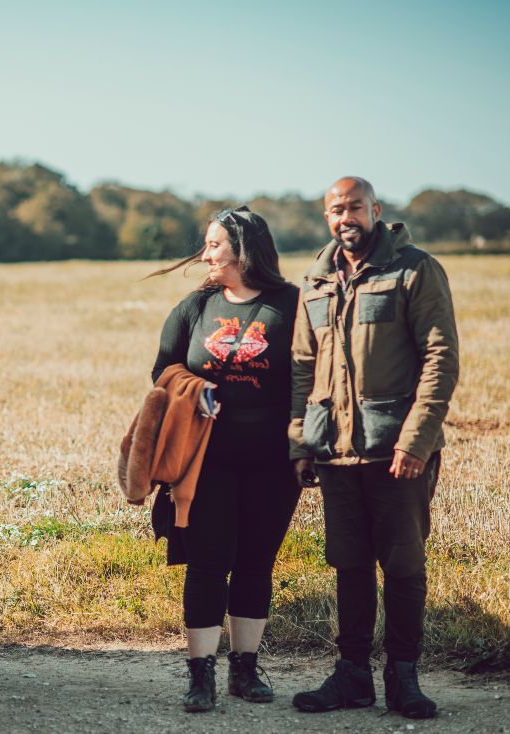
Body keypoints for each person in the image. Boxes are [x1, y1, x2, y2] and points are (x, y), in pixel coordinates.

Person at [290, 177, 459, 720]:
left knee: (404, 565)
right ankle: (352, 678)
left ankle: (403, 679)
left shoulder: (414, 269)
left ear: (375, 210)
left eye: (355, 208)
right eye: (336, 210)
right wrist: (301, 442)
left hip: (396, 453)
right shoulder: (315, 282)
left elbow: (440, 359)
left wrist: (417, 439)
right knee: (349, 564)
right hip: (335, 453)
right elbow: (301, 367)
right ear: (326, 217)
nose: (347, 218)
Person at [148, 207, 302, 712]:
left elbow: (312, 376)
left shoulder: (292, 305)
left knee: (258, 562)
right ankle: (201, 676)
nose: (206, 253)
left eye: (214, 244)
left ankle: (246, 670)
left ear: (244, 249)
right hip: (206, 461)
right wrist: (193, 390)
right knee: (208, 564)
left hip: (274, 464)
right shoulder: (196, 307)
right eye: (207, 244)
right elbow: (163, 369)